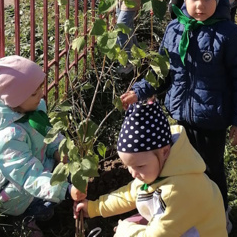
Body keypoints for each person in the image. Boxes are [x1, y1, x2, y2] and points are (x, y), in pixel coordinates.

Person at [121, 0, 237, 231]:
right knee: (179, 171)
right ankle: (183, 212)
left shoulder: (228, 34)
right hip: (178, 117)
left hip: (211, 121)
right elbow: (161, 72)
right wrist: (140, 91)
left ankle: (218, 213)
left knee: (209, 170)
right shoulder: (175, 29)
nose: (200, 5)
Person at [75, 101, 227, 236]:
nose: (133, 173)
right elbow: (130, 193)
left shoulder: (176, 191)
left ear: (164, 152)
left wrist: (125, 230)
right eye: (128, 166)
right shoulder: (161, 168)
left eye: (139, 166)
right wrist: (94, 208)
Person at [0, 56, 85, 237]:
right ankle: (21, 220)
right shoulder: (7, 139)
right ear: (15, 100)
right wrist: (66, 190)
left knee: (64, 180)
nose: (41, 95)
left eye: (39, 88)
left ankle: (46, 201)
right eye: (33, 93)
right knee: (46, 207)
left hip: (37, 163)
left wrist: (59, 150)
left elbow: (49, 134)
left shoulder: (32, 107)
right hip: (13, 192)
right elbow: (29, 176)